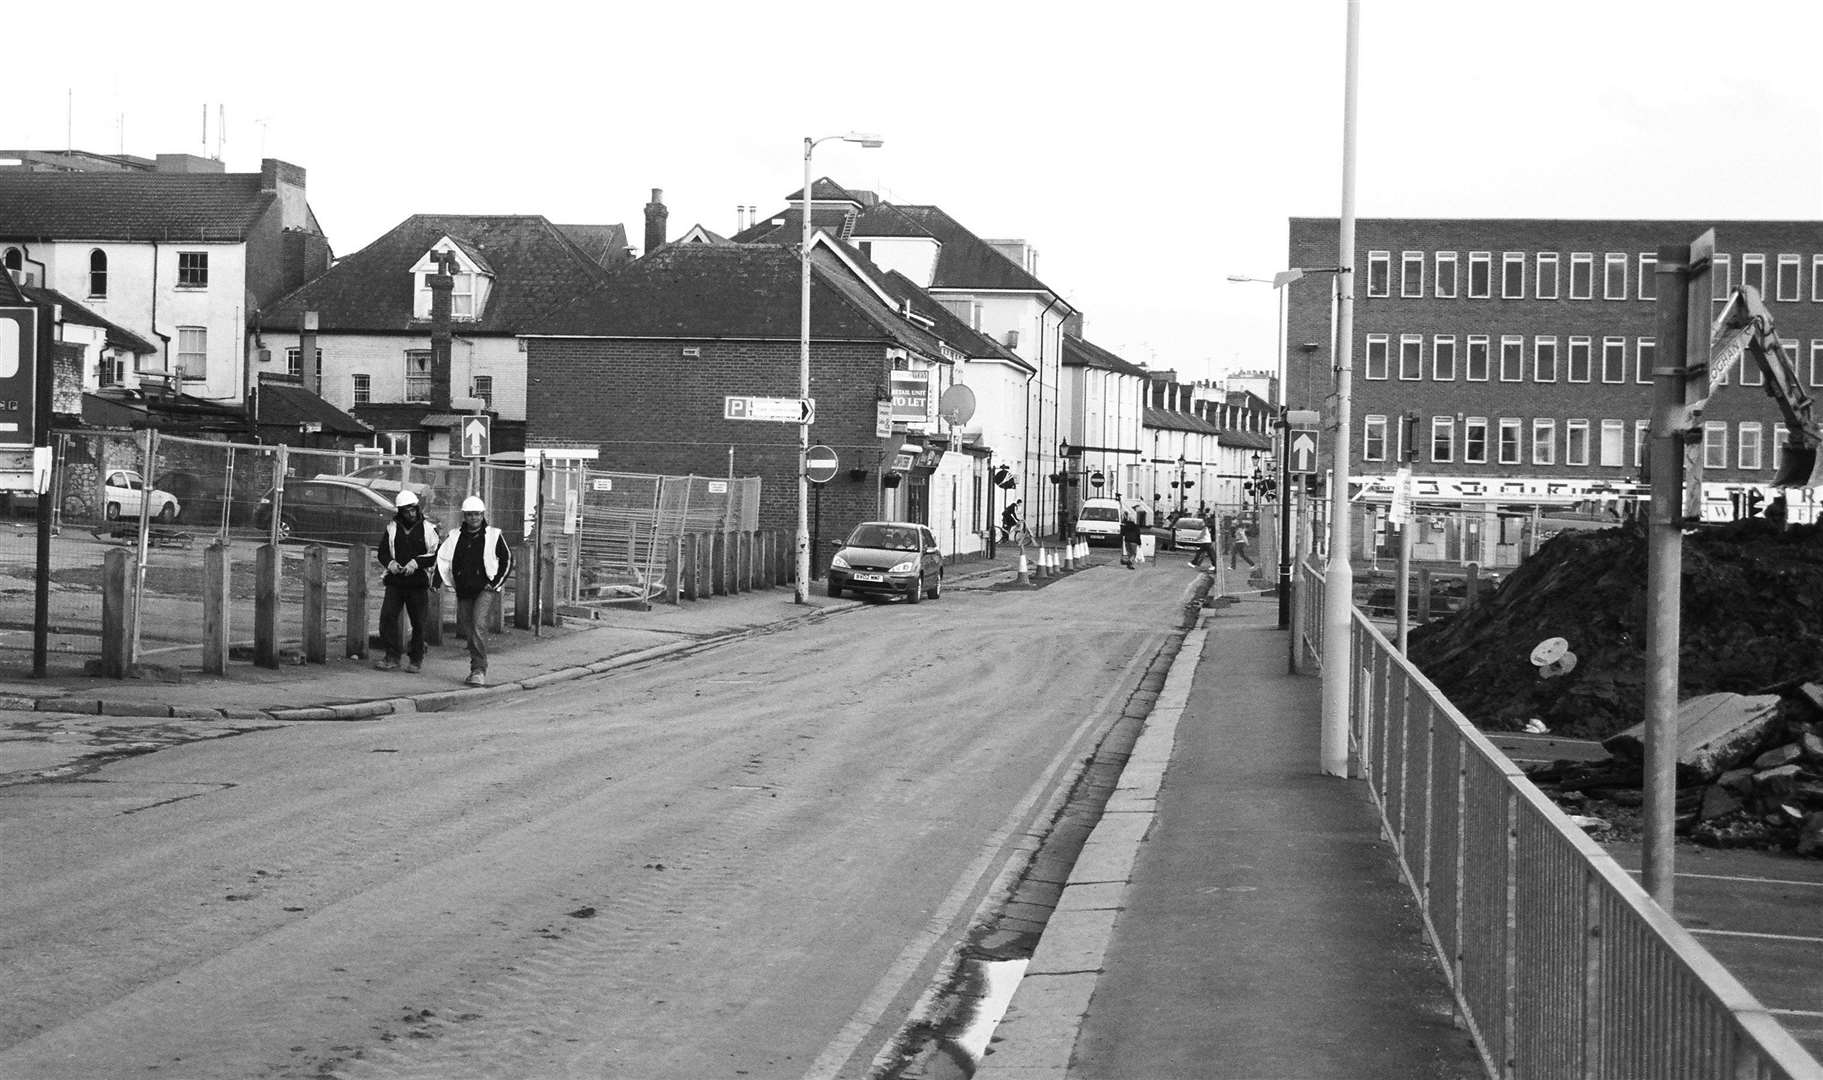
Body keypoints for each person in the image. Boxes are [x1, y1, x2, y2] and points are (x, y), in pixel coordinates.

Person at [436, 495, 514, 687]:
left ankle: (479, 669)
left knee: (478, 624)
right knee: (468, 629)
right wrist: (439, 581)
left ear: (482, 515)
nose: (474, 518)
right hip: (463, 589)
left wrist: (495, 583)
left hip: (484, 588)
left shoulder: (494, 535)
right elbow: (442, 559)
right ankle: (475, 665)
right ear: (465, 516)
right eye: (470, 515)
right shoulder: (455, 536)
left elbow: (508, 559)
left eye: (477, 515)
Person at [374, 489, 439, 673]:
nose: (410, 514)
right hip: (395, 581)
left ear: (417, 509)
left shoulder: (428, 529)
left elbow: (435, 554)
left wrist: (416, 563)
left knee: (419, 622)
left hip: (417, 582)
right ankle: (392, 655)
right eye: (406, 511)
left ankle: (416, 659)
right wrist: (391, 563)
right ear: (400, 511)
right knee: (387, 618)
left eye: (413, 510)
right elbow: (382, 552)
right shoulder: (392, 528)